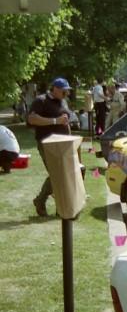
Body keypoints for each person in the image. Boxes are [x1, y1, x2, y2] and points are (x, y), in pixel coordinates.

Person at [28, 77, 72, 216]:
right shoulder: (41, 101)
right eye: (64, 91)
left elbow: (65, 120)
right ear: (56, 89)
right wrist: (55, 121)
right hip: (47, 144)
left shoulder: (62, 101)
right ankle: (42, 201)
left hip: (62, 143)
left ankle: (49, 203)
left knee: (62, 174)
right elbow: (32, 119)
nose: (66, 94)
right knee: (57, 174)